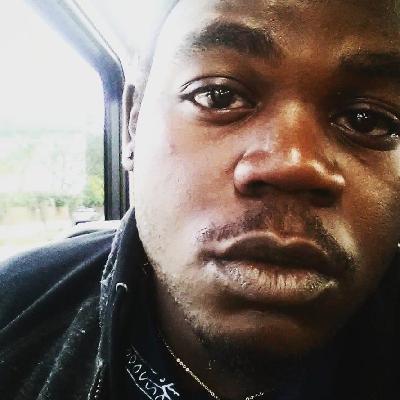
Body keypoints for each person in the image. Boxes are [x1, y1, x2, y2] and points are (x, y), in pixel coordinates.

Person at [1, 0, 400, 399]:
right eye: (218, 96)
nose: (292, 165)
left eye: (368, 121)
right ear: (132, 123)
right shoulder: (13, 311)